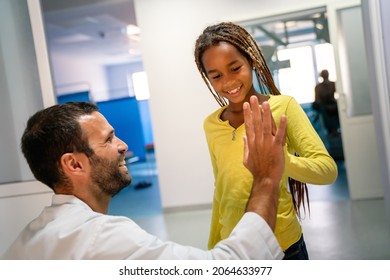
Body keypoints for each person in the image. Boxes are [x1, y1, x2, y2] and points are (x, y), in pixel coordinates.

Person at [2, 98, 286, 260]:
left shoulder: (26, 241)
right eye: (109, 139)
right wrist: (265, 178)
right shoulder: (100, 239)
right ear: (74, 164)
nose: (123, 145)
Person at [194, 22, 338, 260]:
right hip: (235, 250)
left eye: (235, 68)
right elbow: (220, 190)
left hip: (283, 247)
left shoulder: (283, 107)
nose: (228, 82)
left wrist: (279, 160)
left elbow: (327, 170)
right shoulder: (211, 125)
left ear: (250, 61)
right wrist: (214, 246)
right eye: (216, 75)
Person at [313, 69, 340, 135]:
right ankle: (331, 130)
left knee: (337, 109)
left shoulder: (333, 84)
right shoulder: (318, 87)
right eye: (324, 74)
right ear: (321, 76)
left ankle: (336, 128)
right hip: (323, 105)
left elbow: (340, 93)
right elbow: (317, 100)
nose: (325, 76)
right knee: (324, 110)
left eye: (326, 74)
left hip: (332, 104)